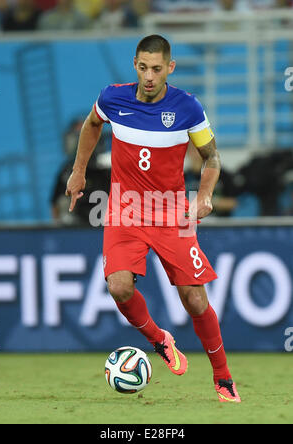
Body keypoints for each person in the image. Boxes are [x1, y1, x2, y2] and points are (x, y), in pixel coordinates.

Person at [65, 35, 241, 403]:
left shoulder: (188, 107)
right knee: (118, 287)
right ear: (135, 64)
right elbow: (92, 125)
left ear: (170, 68)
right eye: (143, 67)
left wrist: (205, 195)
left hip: (171, 210)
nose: (149, 76)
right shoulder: (113, 97)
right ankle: (159, 340)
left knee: (194, 299)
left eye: (157, 68)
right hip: (124, 210)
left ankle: (223, 378)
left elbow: (211, 158)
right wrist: (79, 171)